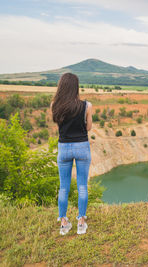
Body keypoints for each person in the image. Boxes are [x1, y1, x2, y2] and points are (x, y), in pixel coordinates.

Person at [51, 73, 93, 235]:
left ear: (61, 86)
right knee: (82, 185)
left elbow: (59, 126)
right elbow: (88, 128)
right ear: (76, 87)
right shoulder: (87, 105)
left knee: (64, 187)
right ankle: (81, 222)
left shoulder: (54, 105)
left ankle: (63, 223)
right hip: (82, 146)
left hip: (64, 147)